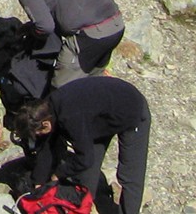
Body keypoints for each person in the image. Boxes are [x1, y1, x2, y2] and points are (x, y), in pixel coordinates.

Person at [14, 75, 152, 214]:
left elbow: (85, 158)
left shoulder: (70, 116)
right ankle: (83, 207)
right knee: (88, 172)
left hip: (132, 110)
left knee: (129, 175)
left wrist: (58, 174)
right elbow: (47, 148)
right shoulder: (46, 110)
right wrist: (39, 183)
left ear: (45, 124)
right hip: (100, 116)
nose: (38, 136)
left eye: (38, 133)